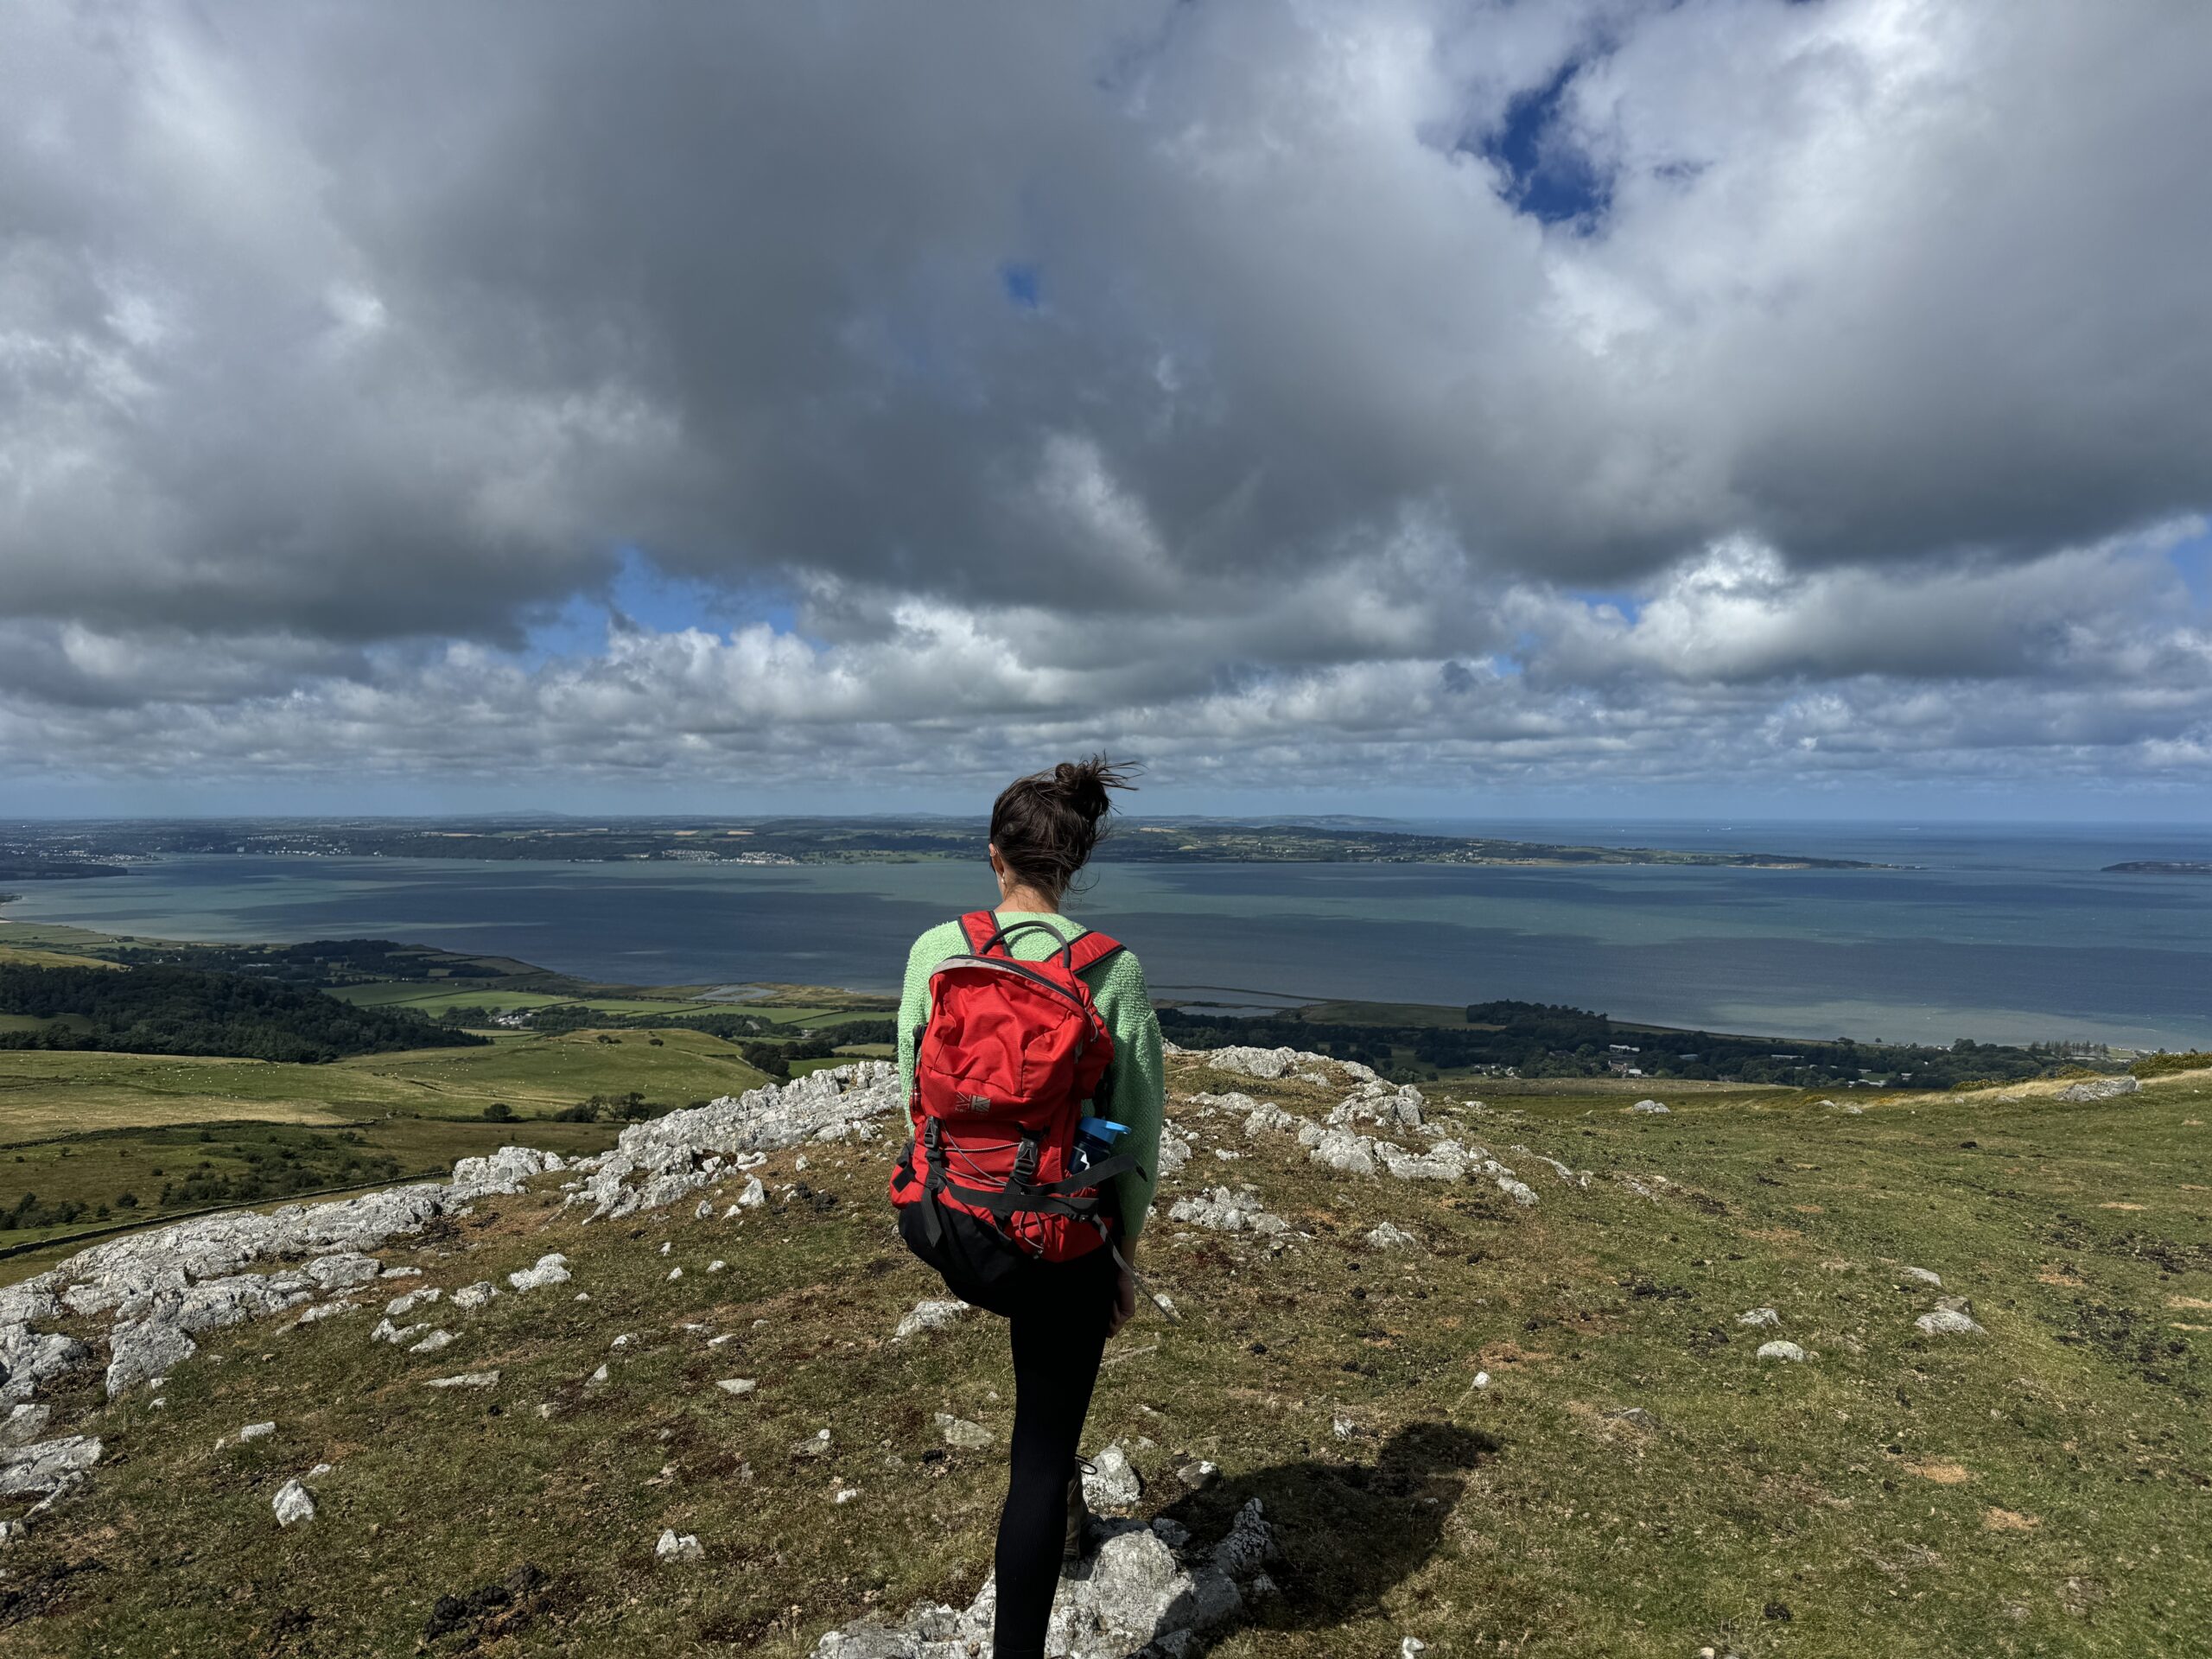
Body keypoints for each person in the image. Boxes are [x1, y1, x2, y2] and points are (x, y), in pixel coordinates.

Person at [891, 757, 1166, 1659]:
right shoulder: (1110, 971)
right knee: (1039, 1464)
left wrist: (948, 1184)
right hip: (1051, 1250)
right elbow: (1136, 1146)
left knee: (1032, 1350)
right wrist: (1119, 1261)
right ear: (1074, 866)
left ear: (993, 857)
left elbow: (913, 1091)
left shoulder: (939, 950)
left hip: (942, 1226)